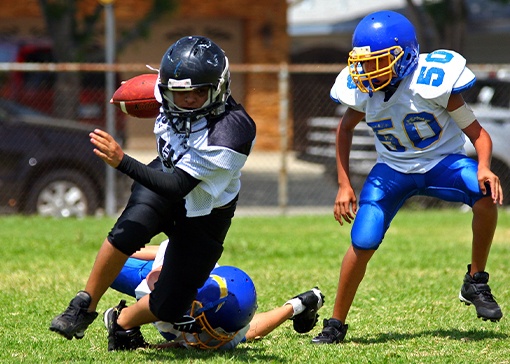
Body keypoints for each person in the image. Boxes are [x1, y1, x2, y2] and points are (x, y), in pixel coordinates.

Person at [49, 36, 257, 350]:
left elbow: (178, 187)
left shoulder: (232, 130)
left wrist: (121, 161)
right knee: (127, 230)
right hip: (164, 174)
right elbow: (141, 95)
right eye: (180, 92)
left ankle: (121, 321)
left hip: (205, 208)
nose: (188, 100)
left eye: (199, 92)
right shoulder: (165, 91)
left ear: (219, 87)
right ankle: (83, 306)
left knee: (170, 306)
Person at [311, 10, 504, 345]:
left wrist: (485, 166)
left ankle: (476, 279)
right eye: (363, 63)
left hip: (442, 163)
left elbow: (480, 135)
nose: (367, 71)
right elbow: (343, 131)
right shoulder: (365, 92)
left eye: (377, 62)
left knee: (484, 195)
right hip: (393, 171)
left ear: (405, 56)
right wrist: (344, 183)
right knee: (364, 240)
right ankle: (335, 324)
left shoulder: (432, 83)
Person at [107, 239, 325, 350]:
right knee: (111, 263)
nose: (213, 337)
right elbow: (155, 291)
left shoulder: (232, 323)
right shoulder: (181, 278)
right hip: (163, 268)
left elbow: (249, 330)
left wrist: (295, 306)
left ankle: (301, 304)